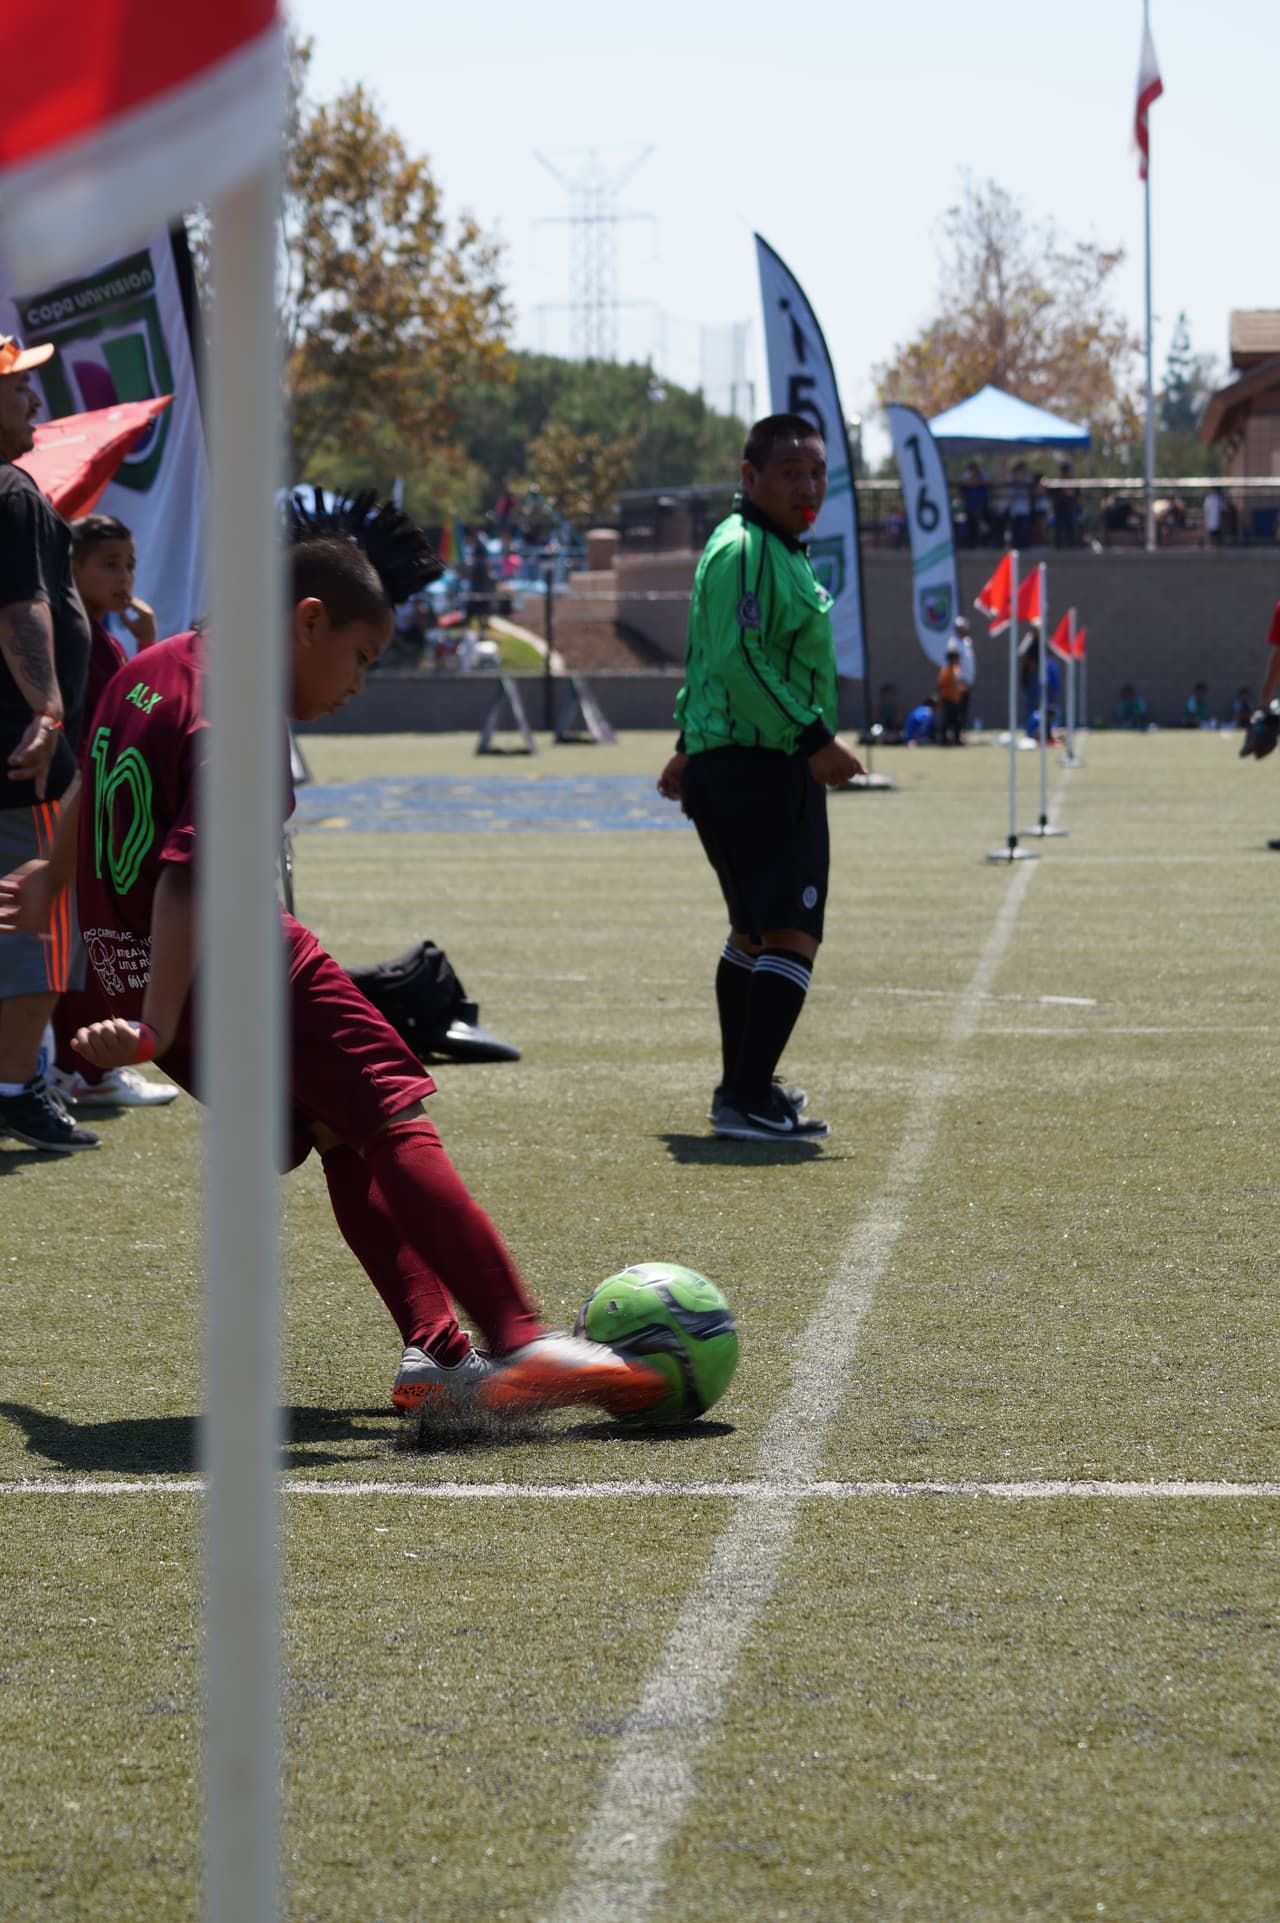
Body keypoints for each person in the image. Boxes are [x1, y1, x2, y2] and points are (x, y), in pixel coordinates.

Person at [0, 518, 665, 1422]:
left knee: (339, 1131)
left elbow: (88, 779)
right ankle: (519, 1336)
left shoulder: (148, 671)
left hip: (143, 981)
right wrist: (154, 1021)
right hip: (225, 965)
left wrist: (52, 876)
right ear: (307, 621)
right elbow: (189, 882)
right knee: (392, 1111)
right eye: (361, 655)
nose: (360, 681)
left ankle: (435, 1353)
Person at [656, 413, 865, 1144]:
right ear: (749, 478)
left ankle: (741, 1092)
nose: (808, 486)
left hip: (735, 764)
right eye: (790, 472)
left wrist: (687, 742)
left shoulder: (767, 548)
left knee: (752, 933)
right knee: (791, 932)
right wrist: (815, 741)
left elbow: (709, 654)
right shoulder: (747, 549)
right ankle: (746, 1096)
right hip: (763, 768)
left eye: (817, 473)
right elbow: (742, 662)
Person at [0, 332, 99, 1153]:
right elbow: (22, 609)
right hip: (19, 760)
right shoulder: (14, 492)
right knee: (37, 923)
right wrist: (50, 708)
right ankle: (14, 1087)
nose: (36, 399)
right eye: (19, 387)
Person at [47, 513, 177, 1111]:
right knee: (84, 945)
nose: (125, 576)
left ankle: (77, 1068)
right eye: (109, 564)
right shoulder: (79, 635)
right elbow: (130, 713)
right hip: (80, 806)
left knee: (85, 943)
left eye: (130, 564)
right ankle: (85, 1069)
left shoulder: (102, 635)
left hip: (91, 805)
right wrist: (151, 647)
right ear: (73, 569)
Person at [935, 644, 969, 745]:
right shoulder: (946, 670)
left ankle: (957, 739)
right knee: (948, 720)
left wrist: (963, 688)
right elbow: (942, 685)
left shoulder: (956, 669)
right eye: (956, 658)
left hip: (956, 699)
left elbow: (958, 683)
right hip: (948, 699)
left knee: (957, 720)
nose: (958, 660)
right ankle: (944, 740)